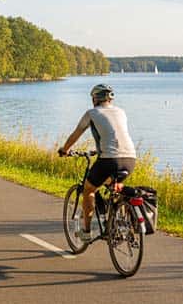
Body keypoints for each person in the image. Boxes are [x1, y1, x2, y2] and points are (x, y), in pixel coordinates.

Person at [58, 83, 136, 240]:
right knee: (112, 185)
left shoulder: (92, 113)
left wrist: (64, 149)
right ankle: (119, 217)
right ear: (109, 99)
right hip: (130, 159)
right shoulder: (121, 111)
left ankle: (86, 232)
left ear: (95, 98)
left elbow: (76, 134)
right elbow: (114, 134)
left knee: (89, 189)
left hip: (109, 160)